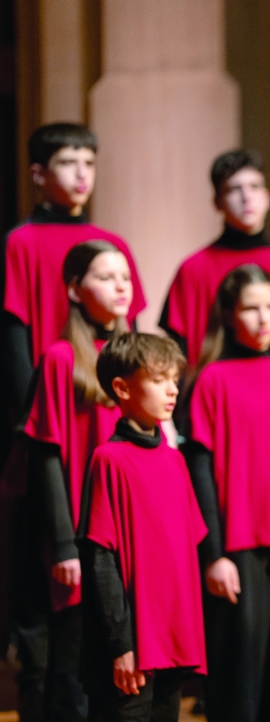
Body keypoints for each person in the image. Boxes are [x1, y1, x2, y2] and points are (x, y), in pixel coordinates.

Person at [11, 241, 133, 722]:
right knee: (73, 675)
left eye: (125, 276)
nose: (121, 286)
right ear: (75, 290)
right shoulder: (61, 358)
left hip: (128, 536)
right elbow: (47, 455)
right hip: (81, 538)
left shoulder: (139, 357)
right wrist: (64, 545)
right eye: (106, 277)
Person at [183, 264, 270, 722]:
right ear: (229, 316)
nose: (264, 318)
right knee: (240, 686)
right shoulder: (210, 380)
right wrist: (213, 554)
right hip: (238, 552)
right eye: (252, 308)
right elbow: (199, 473)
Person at [77, 333, 206, 722]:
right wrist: (121, 646)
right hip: (130, 649)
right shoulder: (109, 460)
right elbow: (101, 562)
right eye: (158, 379)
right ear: (122, 388)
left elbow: (181, 559)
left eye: (175, 379)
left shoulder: (174, 460)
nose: (173, 390)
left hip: (170, 643)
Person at [2, 124, 145, 490]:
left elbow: (131, 335)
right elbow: (13, 339)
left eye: (89, 163)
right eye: (68, 163)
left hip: (110, 401)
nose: (82, 174)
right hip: (52, 405)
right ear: (38, 174)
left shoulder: (112, 245)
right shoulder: (19, 243)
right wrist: (29, 418)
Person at [159, 149, 270, 369]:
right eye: (234, 189)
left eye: (254, 187)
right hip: (211, 389)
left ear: (267, 198)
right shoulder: (193, 270)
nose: (246, 197)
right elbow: (178, 359)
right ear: (217, 202)